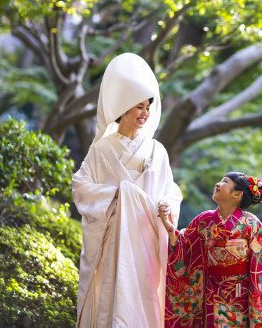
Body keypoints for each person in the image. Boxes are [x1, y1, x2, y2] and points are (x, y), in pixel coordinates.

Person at [72, 53, 183, 327]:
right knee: (112, 293)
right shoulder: (101, 148)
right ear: (123, 108)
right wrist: (117, 195)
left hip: (146, 237)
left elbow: (170, 190)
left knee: (144, 298)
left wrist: (167, 203)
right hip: (113, 239)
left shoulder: (157, 150)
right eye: (138, 107)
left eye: (147, 107)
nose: (145, 113)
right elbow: (81, 186)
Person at [159, 172, 262, 327]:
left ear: (237, 194)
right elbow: (184, 243)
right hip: (212, 289)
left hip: (240, 291)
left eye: (224, 182)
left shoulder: (249, 222)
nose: (218, 184)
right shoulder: (204, 220)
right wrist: (166, 222)